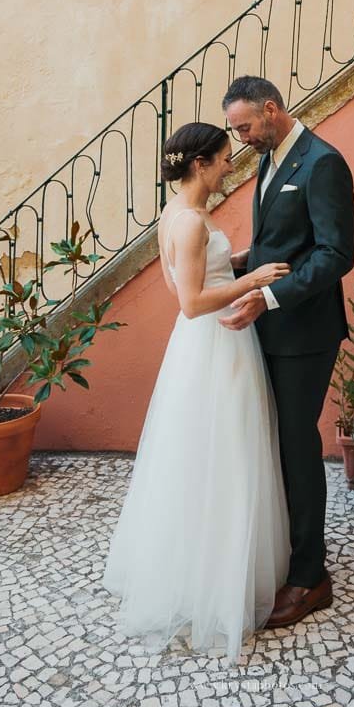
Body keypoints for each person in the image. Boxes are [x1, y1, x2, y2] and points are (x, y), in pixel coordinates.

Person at [102, 122, 291, 663]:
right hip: (213, 343)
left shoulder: (179, 215)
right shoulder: (188, 222)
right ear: (202, 163)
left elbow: (193, 277)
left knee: (212, 453)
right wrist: (252, 283)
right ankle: (213, 580)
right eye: (225, 158)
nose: (231, 165)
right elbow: (188, 302)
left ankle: (217, 564)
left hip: (207, 344)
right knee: (221, 452)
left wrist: (235, 263)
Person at [222, 76, 354, 628]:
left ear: (272, 110)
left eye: (244, 126)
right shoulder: (270, 156)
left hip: (304, 335)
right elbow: (284, 241)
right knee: (273, 444)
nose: (240, 138)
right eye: (235, 129)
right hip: (271, 328)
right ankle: (286, 552)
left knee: (297, 448)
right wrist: (238, 267)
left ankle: (309, 577)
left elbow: (334, 254)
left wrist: (269, 297)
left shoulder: (323, 163)